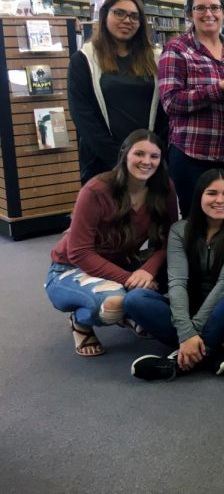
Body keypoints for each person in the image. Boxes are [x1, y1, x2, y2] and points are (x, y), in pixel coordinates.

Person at [44, 130, 178, 356]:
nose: (146, 161)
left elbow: (170, 239)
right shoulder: (96, 189)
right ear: (125, 155)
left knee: (182, 269)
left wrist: (147, 270)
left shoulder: (164, 187)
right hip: (71, 268)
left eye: (154, 156)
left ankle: (129, 310)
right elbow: (79, 253)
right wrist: (130, 280)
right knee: (113, 304)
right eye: (139, 154)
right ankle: (81, 322)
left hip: (122, 263)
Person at [126, 169, 224, 381]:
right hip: (188, 307)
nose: (220, 200)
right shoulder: (179, 230)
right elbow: (177, 283)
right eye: (212, 193)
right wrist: (187, 332)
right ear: (199, 197)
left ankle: (178, 360)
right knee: (134, 299)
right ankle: (211, 350)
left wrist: (188, 334)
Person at [158, 0, 224, 218]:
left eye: (214, 7)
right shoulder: (177, 49)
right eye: (200, 8)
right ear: (190, 13)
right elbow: (171, 102)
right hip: (195, 155)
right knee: (198, 224)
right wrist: (217, 89)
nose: (208, 14)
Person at [68, 0, 167, 184]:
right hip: (102, 161)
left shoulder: (156, 58)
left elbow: (165, 110)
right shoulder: (84, 59)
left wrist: (151, 154)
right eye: (119, 13)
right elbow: (82, 115)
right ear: (105, 15)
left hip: (148, 162)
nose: (127, 20)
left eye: (134, 16)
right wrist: (120, 159)